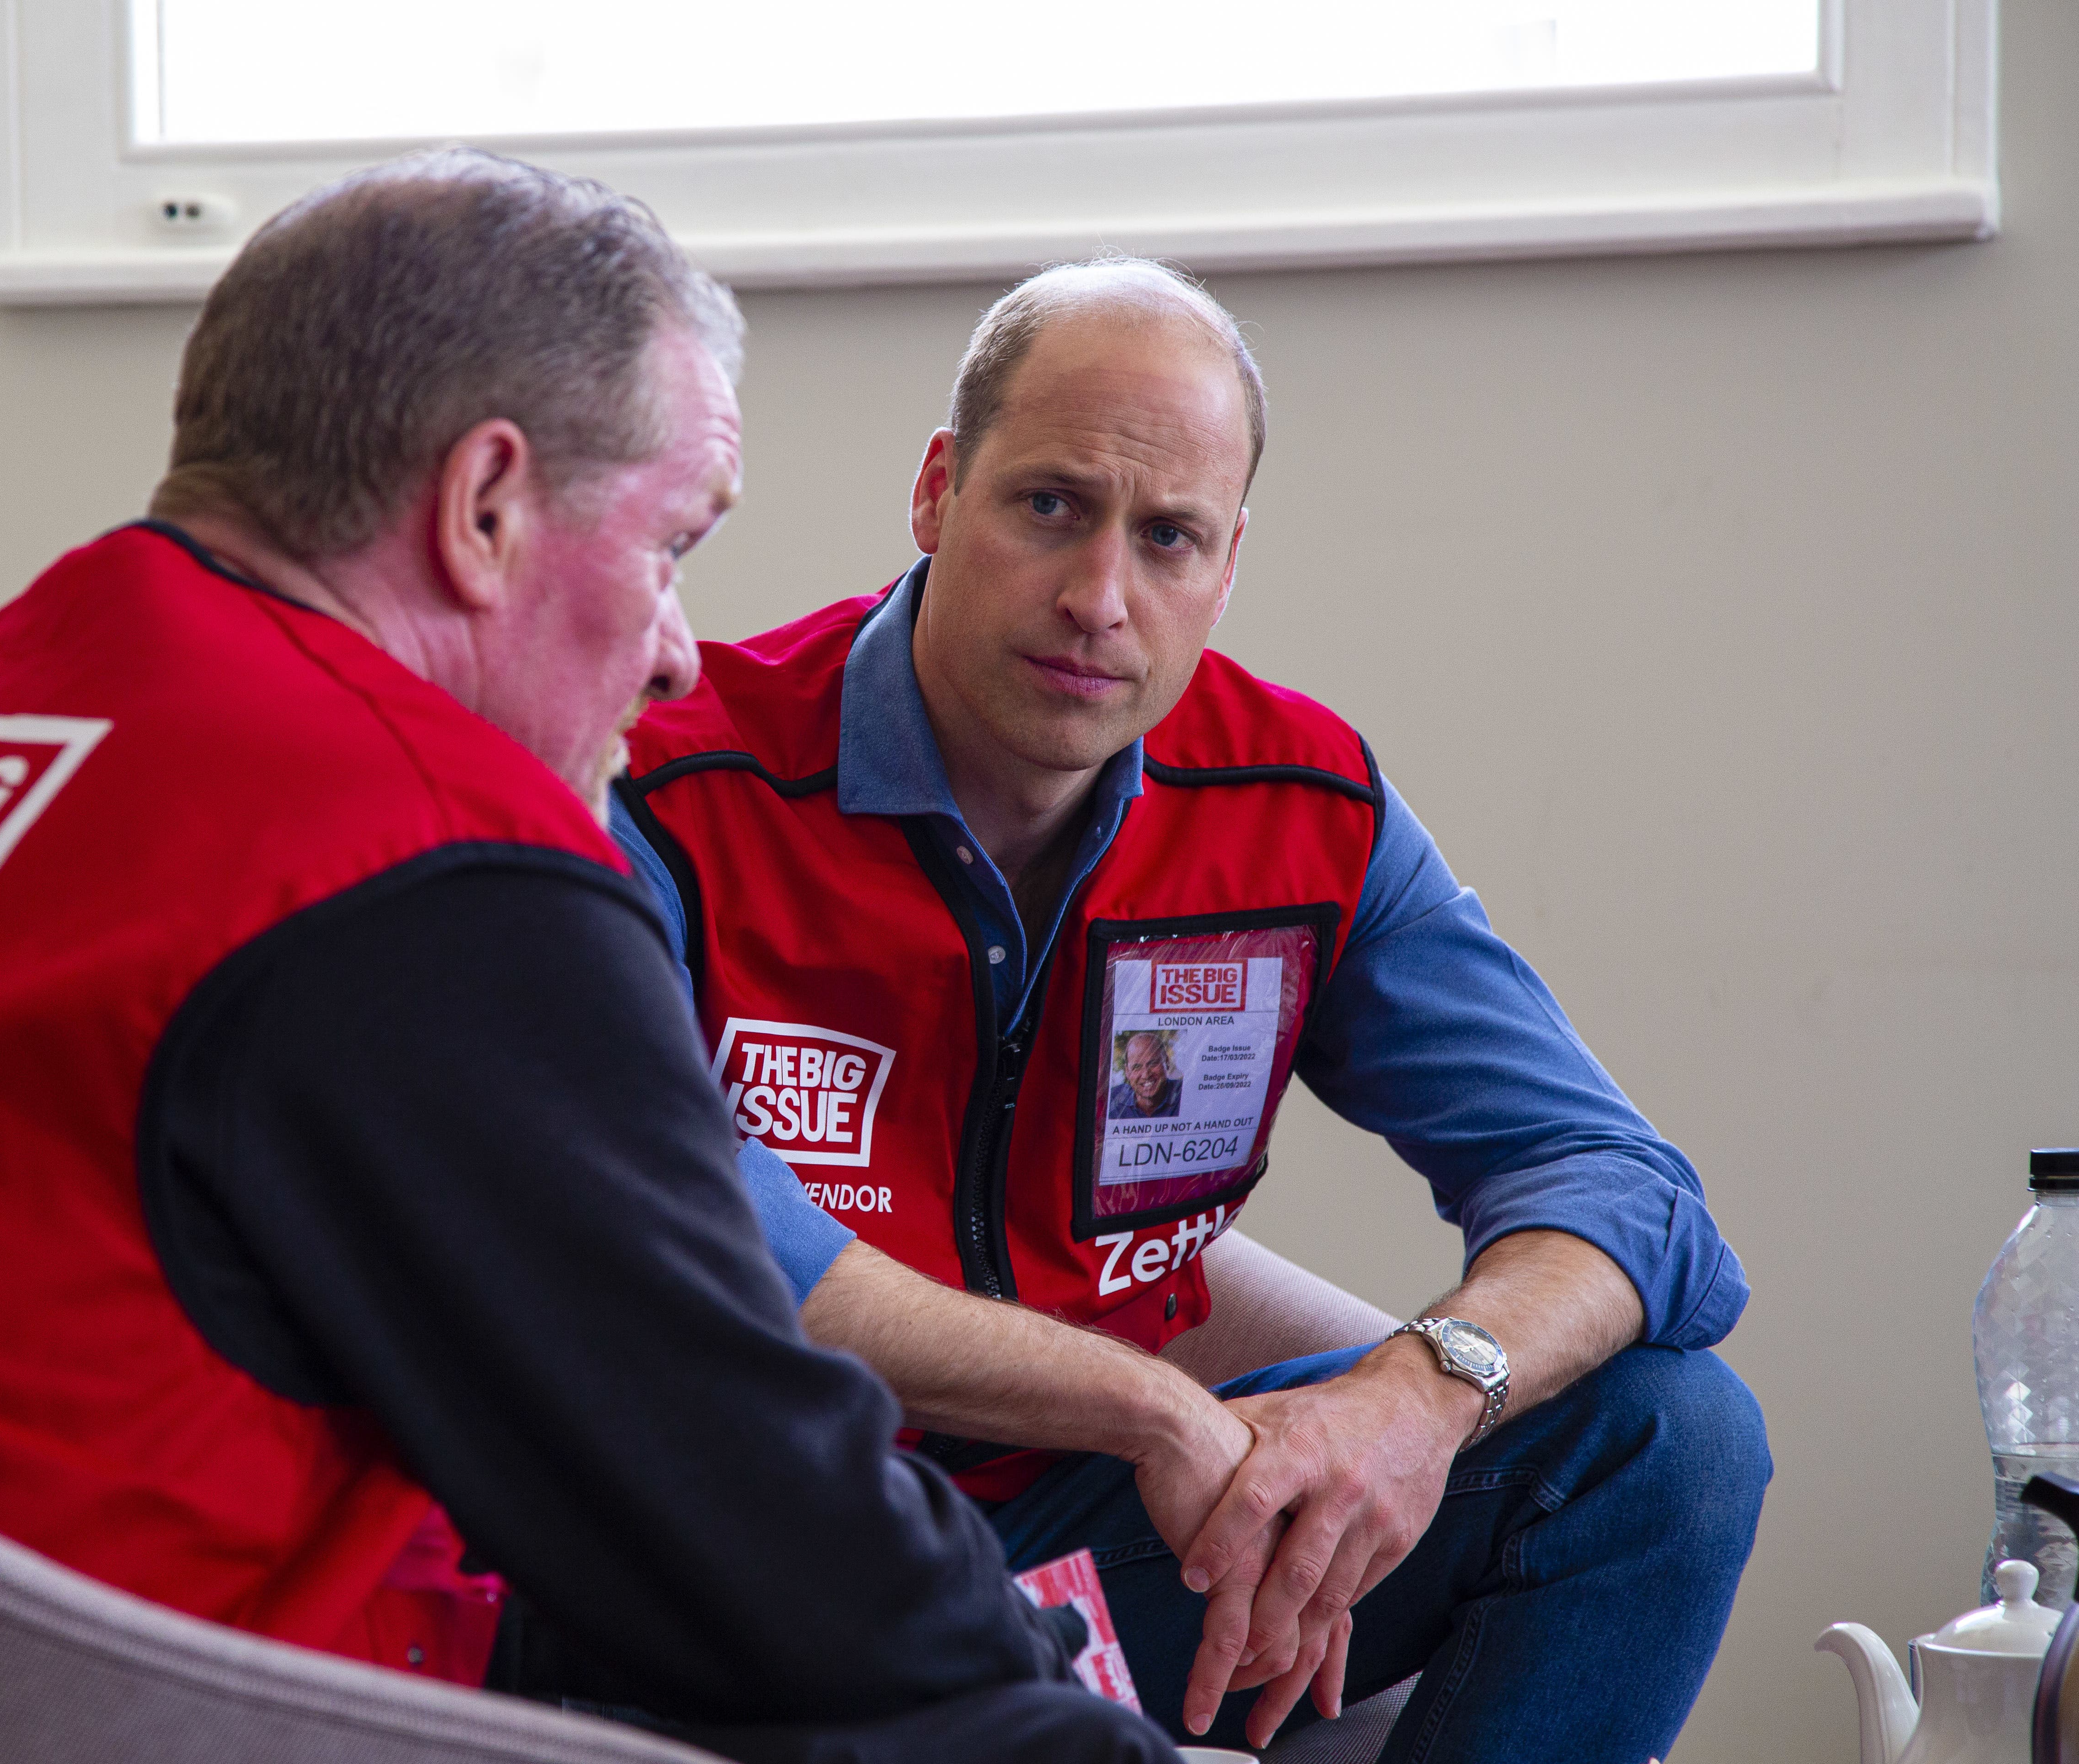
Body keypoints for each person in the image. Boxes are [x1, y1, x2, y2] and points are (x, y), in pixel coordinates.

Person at [0, 154, 1176, 1764]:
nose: (678, 655)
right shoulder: (418, 864)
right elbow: (774, 1556)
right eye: (673, 546)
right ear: (483, 505)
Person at [611, 259, 1771, 1761]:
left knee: (1668, 1440)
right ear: (937, 492)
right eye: (1050, 507)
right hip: (750, 1562)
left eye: (1169, 538)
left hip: (1105, 1550)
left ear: (1229, 565)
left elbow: (1629, 1197)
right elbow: (684, 1243)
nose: (1102, 599)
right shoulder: (678, 789)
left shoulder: (1299, 807)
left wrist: (1414, 1401)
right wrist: (1151, 1410)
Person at [1107, 1032, 1180, 1120]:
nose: (1146, 1075)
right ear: (1127, 1072)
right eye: (1137, 1067)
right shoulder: (1112, 1100)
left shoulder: (1185, 1093)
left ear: (1167, 1063)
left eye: (1153, 1064)